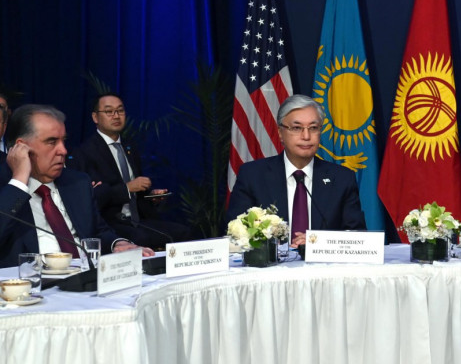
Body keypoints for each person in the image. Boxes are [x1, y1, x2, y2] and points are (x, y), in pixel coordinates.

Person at [0, 104, 153, 268]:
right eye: (51, 142)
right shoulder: (7, 189)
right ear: (21, 147)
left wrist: (118, 243)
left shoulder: (78, 182)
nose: (63, 150)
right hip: (31, 279)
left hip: (85, 277)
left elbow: (98, 231)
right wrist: (19, 180)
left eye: (63, 141)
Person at [226, 95, 366, 247]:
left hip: (323, 262)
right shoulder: (252, 175)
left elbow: (357, 237)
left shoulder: (342, 178)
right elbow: (235, 234)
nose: (306, 136)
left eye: (313, 128)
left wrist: (317, 242)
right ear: (280, 133)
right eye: (297, 128)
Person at [68, 93, 192, 250]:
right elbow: (91, 198)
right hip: (109, 223)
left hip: (137, 220)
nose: (116, 116)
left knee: (183, 232)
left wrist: (151, 196)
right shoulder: (85, 152)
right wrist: (127, 188)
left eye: (120, 110)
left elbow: (135, 192)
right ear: (95, 117)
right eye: (109, 111)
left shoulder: (129, 146)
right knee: (142, 238)